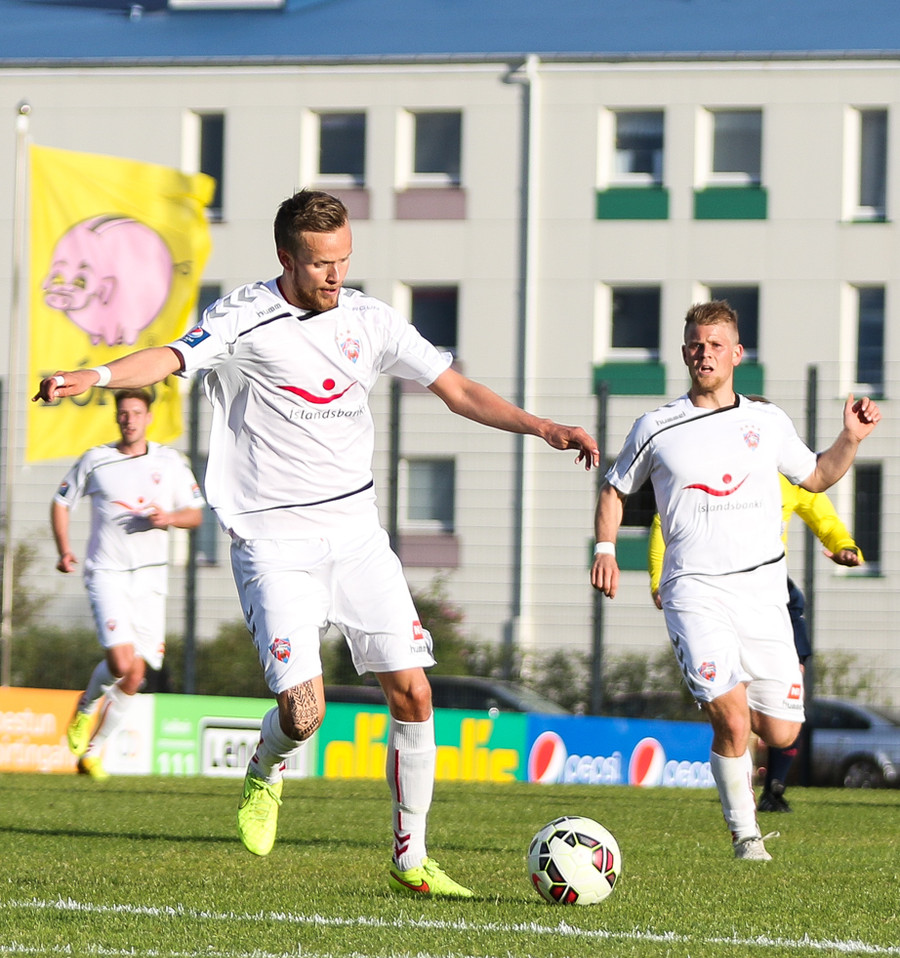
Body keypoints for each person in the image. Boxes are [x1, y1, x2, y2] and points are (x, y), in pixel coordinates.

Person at [35, 189, 599, 898]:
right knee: (304, 716)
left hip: (357, 537)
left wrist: (543, 426)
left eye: (344, 259)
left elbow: (456, 389)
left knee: (414, 692)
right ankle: (265, 767)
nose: (336, 275)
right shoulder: (245, 317)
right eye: (320, 263)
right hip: (273, 544)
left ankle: (411, 856)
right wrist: (92, 376)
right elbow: (169, 357)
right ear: (286, 258)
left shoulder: (370, 319)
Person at [591, 300, 879, 861]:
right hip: (694, 590)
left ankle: (748, 742)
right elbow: (614, 489)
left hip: (764, 592)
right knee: (731, 715)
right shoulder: (656, 426)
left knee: (782, 732)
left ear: (737, 354)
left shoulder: (767, 422)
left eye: (716, 345)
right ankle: (746, 836)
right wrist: (606, 549)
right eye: (696, 345)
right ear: (684, 353)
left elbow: (818, 476)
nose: (705, 354)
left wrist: (852, 438)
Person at [647, 474, 864, 813]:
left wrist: (844, 545)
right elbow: (665, 517)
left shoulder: (788, 470)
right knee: (736, 703)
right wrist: (659, 578)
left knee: (791, 691)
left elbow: (821, 512)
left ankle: (774, 788)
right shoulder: (715, 468)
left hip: (775, 595)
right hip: (717, 591)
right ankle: (740, 787)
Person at [52, 388, 205, 780]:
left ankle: (91, 754)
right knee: (121, 663)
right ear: (117, 417)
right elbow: (61, 502)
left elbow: (195, 514)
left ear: (148, 417)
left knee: (136, 676)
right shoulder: (96, 459)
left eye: (136, 412)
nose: (129, 419)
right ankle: (85, 708)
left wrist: (169, 518)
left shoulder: (170, 462)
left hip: (151, 578)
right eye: (123, 413)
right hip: (107, 573)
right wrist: (64, 549)